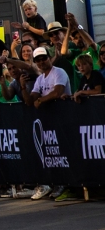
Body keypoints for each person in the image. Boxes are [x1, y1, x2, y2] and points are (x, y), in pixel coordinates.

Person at [26, 47, 72, 201]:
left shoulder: (59, 72)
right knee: (52, 154)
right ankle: (57, 182)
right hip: (49, 121)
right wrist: (22, 87)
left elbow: (57, 92)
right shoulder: (40, 79)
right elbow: (29, 100)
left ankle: (67, 184)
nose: (41, 62)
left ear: (49, 57)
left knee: (64, 152)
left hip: (64, 117)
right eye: (38, 60)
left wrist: (41, 100)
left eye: (43, 58)